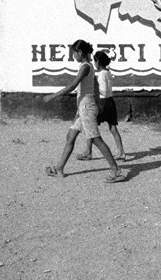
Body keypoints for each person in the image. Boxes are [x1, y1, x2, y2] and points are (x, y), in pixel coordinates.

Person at [43, 40, 126, 183]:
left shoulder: (85, 67)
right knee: (71, 136)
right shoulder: (89, 67)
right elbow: (94, 83)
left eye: (74, 53)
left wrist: (53, 95)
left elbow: (73, 85)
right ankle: (59, 168)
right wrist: (98, 103)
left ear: (80, 52)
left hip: (86, 108)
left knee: (95, 139)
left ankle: (116, 170)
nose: (73, 56)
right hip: (85, 107)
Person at [76, 50, 126, 161]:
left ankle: (88, 152)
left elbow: (102, 90)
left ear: (97, 61)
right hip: (111, 102)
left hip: (102, 102)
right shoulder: (108, 72)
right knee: (113, 128)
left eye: (95, 61)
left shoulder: (101, 75)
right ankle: (121, 152)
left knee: (89, 126)